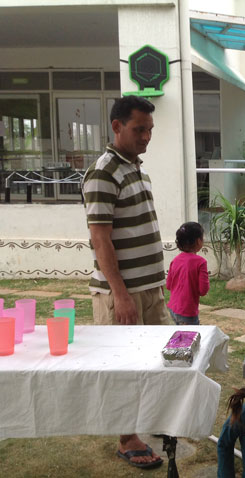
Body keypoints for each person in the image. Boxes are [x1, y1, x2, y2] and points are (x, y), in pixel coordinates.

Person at [82, 95, 170, 469]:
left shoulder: (136, 167)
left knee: (155, 361)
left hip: (149, 289)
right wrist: (121, 295)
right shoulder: (104, 172)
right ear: (117, 126)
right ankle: (125, 438)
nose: (146, 136)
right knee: (122, 365)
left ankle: (144, 424)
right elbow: (100, 238)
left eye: (150, 129)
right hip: (123, 293)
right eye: (139, 129)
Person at [166, 221, 210, 325]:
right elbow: (203, 290)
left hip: (173, 309)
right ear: (199, 241)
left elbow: (168, 285)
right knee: (191, 339)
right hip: (188, 312)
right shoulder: (201, 262)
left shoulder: (175, 260)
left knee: (181, 336)